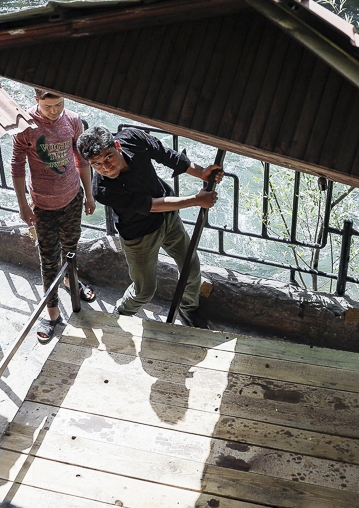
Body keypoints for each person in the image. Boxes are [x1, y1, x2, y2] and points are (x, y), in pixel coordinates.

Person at [77, 125, 222, 326]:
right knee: (144, 290)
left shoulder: (133, 138)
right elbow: (151, 205)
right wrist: (196, 200)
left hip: (168, 219)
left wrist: (202, 173)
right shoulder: (102, 190)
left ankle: (188, 310)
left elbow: (166, 155)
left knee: (191, 268)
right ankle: (119, 314)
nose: (106, 167)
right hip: (139, 236)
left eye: (108, 157)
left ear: (117, 145)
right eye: (97, 164)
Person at [12, 88, 96, 342]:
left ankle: (72, 281)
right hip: (42, 204)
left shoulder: (73, 120)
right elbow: (17, 164)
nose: (54, 111)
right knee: (48, 259)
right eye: (48, 106)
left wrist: (89, 194)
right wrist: (23, 204)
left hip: (71, 197)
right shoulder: (25, 126)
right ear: (36, 101)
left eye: (58, 104)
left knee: (71, 248)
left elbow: (81, 160)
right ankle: (53, 313)